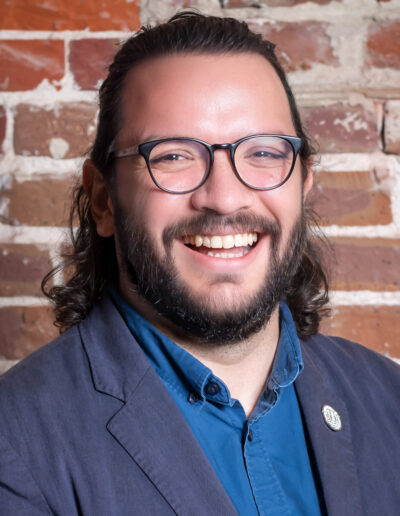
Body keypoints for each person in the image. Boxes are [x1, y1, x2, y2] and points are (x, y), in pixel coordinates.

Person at [0, 12, 398, 516]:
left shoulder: (389, 398)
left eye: (263, 152)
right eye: (173, 156)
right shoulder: (16, 444)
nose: (225, 198)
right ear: (103, 200)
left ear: (303, 185)